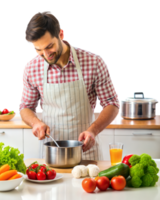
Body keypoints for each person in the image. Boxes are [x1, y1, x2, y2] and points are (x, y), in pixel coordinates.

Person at [19, 10, 120, 161]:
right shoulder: (31, 68)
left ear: (61, 35)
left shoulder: (95, 62)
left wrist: (93, 131)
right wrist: (35, 123)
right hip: (51, 152)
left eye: (49, 46)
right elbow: (25, 106)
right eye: (38, 50)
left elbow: (112, 103)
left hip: (86, 151)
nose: (46, 55)